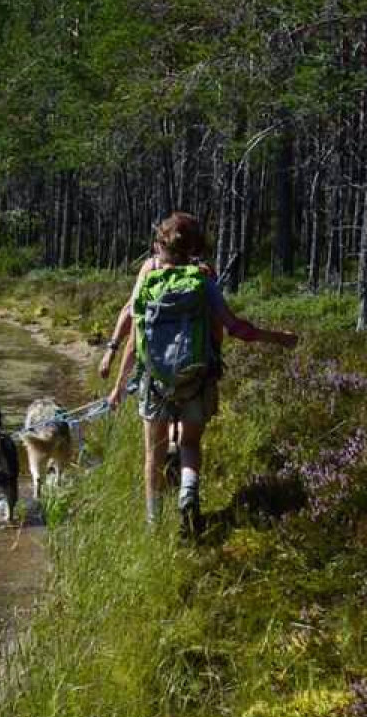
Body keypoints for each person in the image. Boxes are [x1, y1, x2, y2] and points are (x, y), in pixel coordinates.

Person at [101, 213, 297, 535]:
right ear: (197, 246)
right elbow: (235, 328)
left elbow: (132, 321)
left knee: (154, 454)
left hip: (156, 381)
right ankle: (188, 493)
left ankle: (153, 526)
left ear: (161, 242)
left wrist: (114, 366)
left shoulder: (149, 275)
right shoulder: (203, 280)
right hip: (197, 378)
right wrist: (279, 338)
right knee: (190, 444)